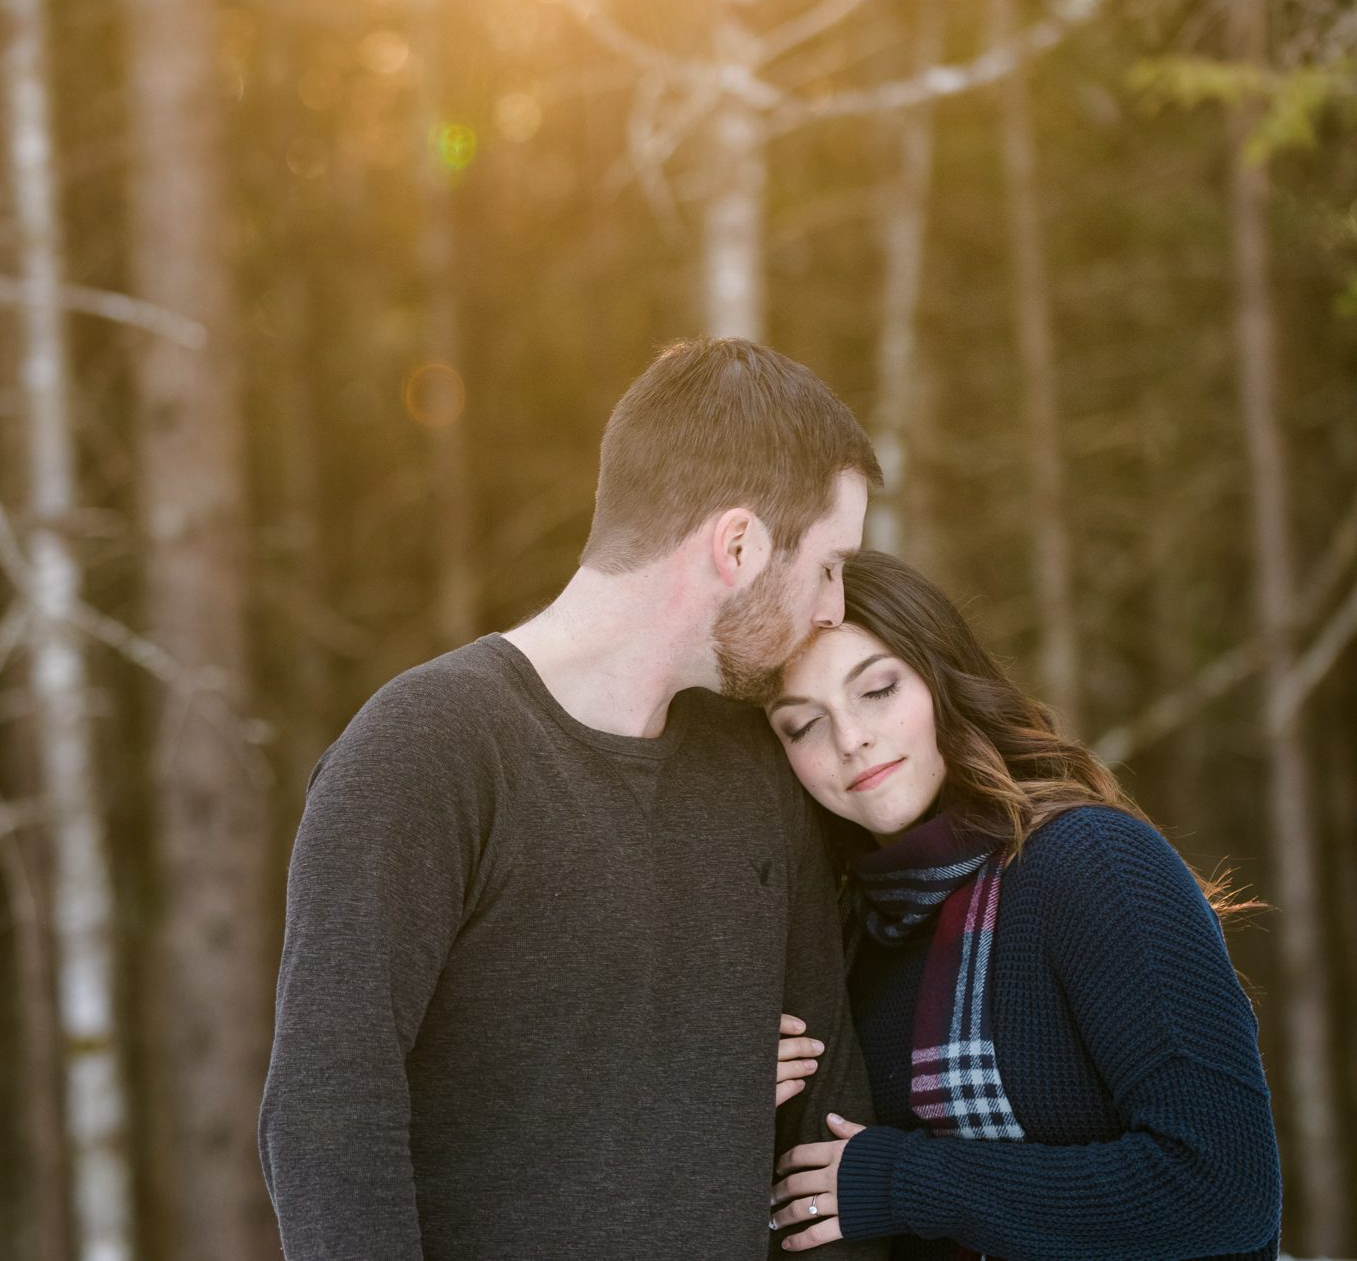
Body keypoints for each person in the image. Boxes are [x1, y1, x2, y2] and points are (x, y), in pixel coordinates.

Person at [259, 337, 890, 1260]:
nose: (835, 607)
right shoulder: (428, 751)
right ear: (739, 544)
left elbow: (822, 1129)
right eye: (830, 564)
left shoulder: (755, 771)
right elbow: (326, 1118)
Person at [761, 549, 1282, 1259]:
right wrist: (739, 1102)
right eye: (802, 724)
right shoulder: (847, 937)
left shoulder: (1091, 861)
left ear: (941, 677)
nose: (851, 738)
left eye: (877, 688)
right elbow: (816, 1203)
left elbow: (1225, 1187)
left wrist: (915, 1179)